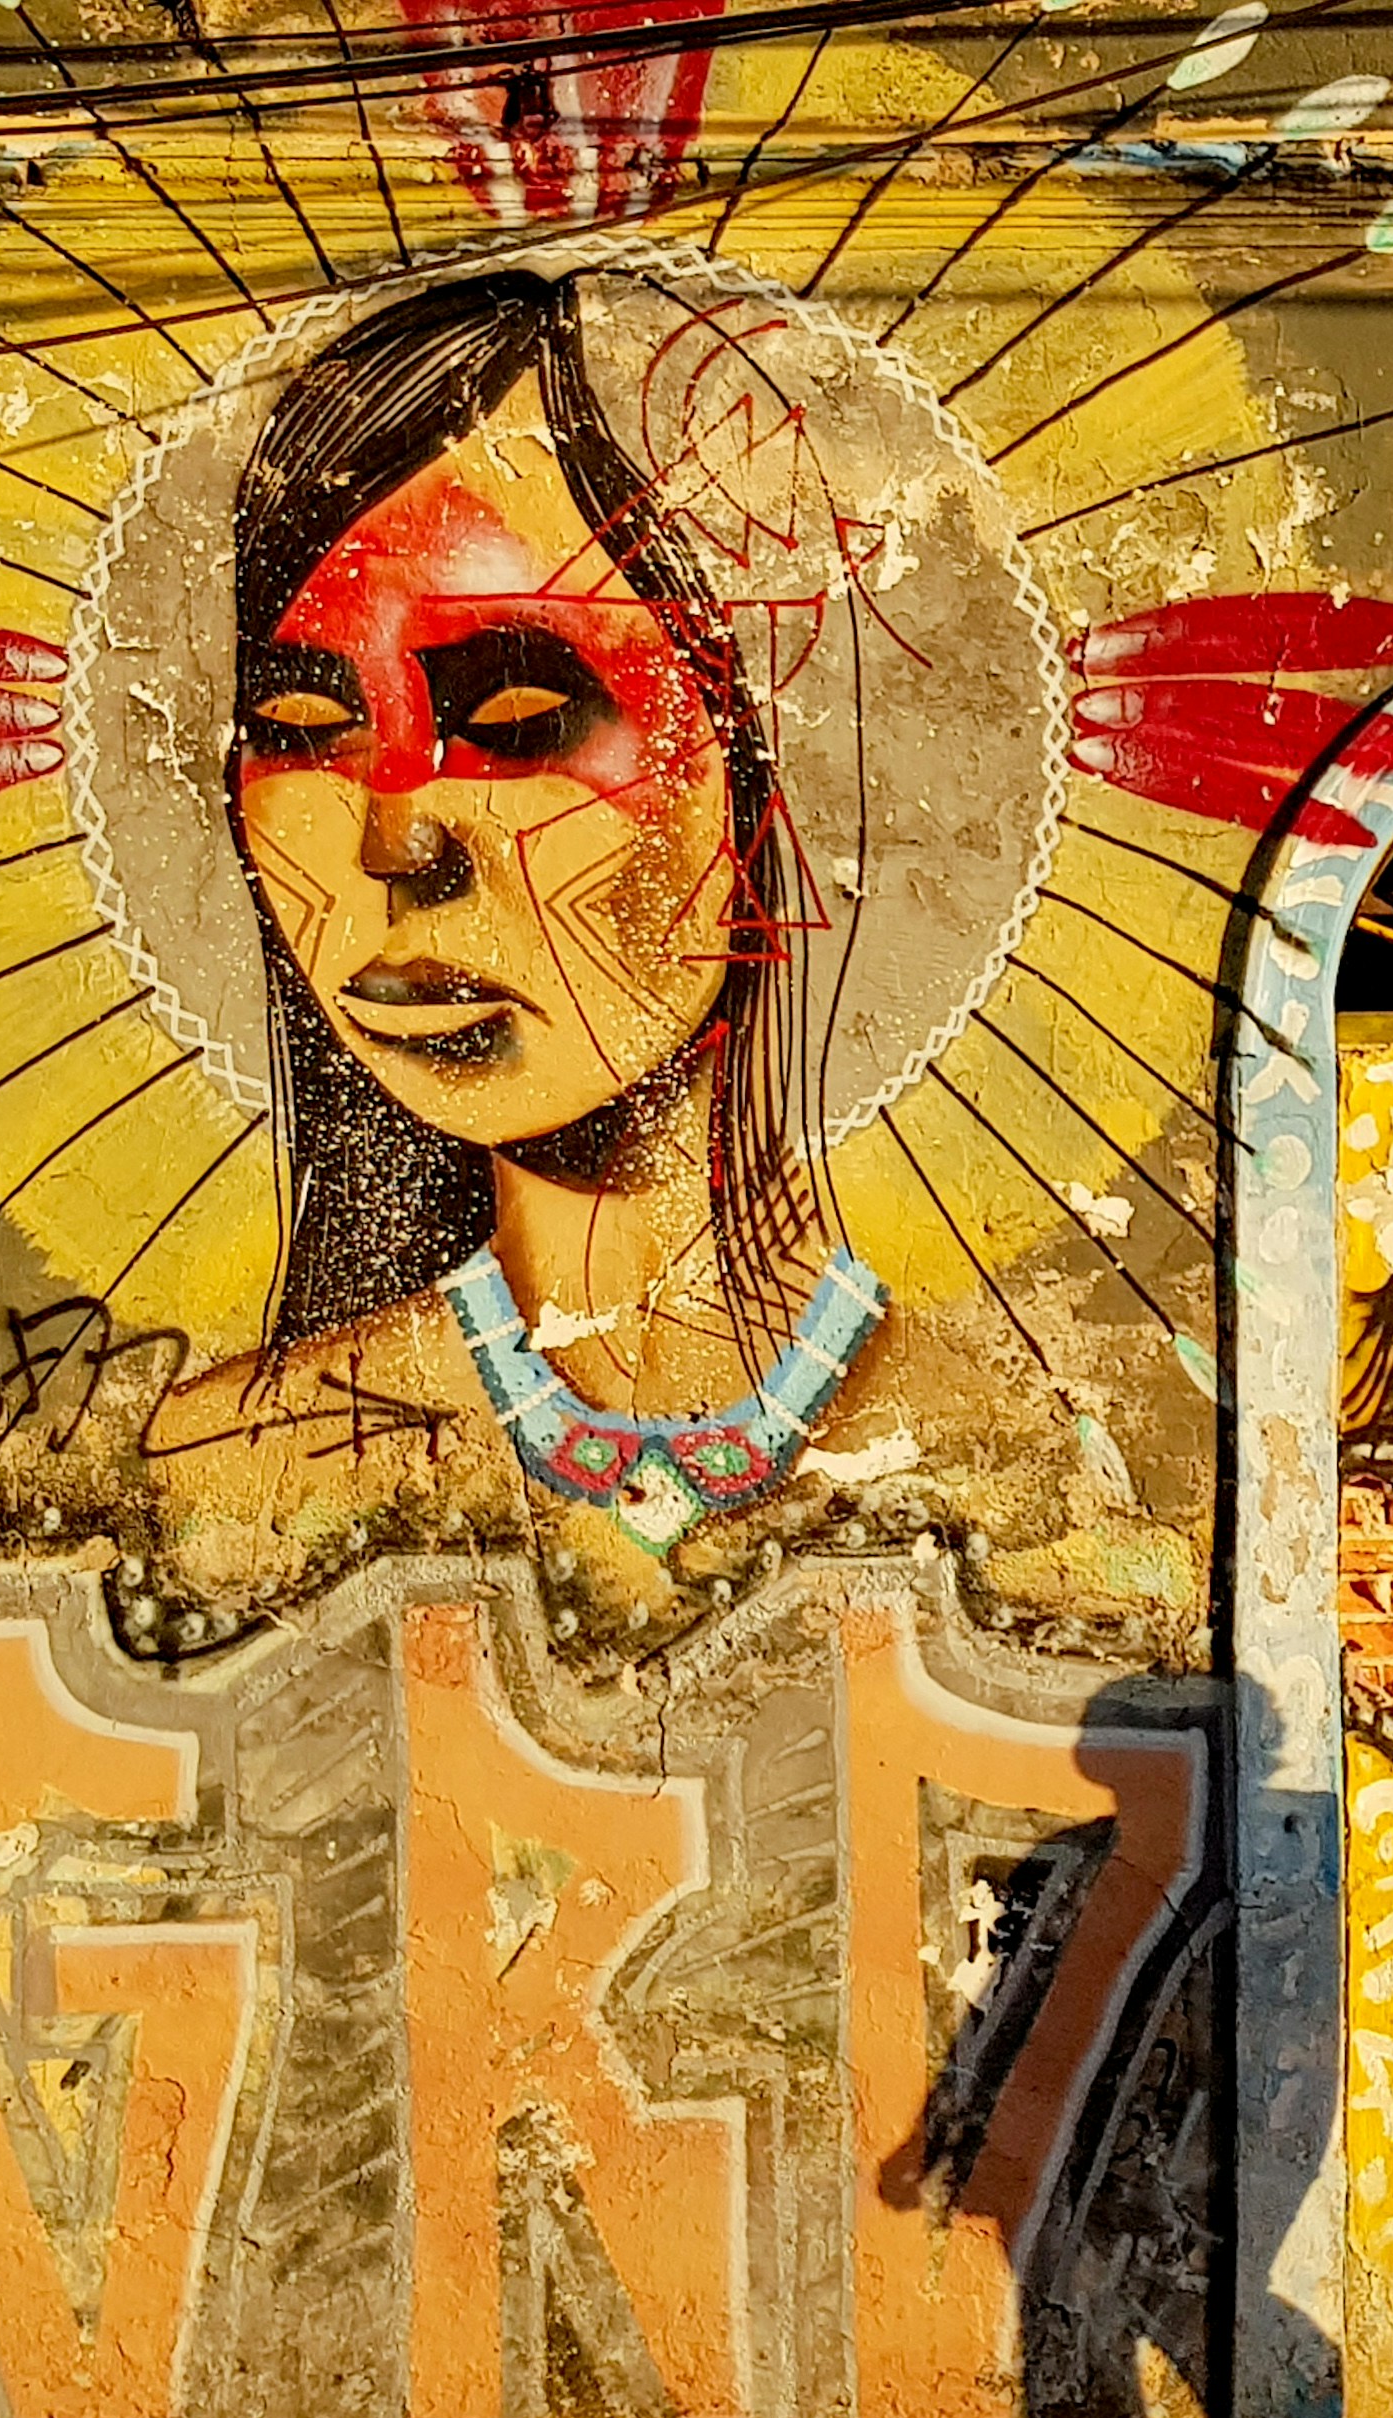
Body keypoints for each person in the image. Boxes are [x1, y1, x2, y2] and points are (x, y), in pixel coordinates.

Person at [151, 268, 893, 1556]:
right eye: (303, 727)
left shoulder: (993, 1435)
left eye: (517, 718)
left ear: (753, 771)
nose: (394, 842)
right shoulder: (240, 1457)